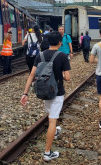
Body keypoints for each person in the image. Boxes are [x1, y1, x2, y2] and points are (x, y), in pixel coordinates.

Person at [20, 31, 71, 161]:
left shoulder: (40, 55)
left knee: (51, 116)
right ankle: (47, 153)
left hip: (44, 91)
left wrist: (25, 93)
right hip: (57, 92)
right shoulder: (62, 56)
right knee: (52, 121)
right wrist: (63, 75)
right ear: (60, 42)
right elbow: (68, 78)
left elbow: (31, 75)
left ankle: (55, 130)